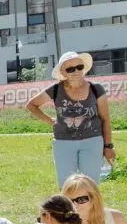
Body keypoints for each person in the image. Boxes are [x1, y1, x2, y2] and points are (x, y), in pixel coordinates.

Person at [26, 52, 116, 186]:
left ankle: (91, 207)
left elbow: (105, 119)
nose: (76, 71)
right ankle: (69, 208)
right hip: (63, 142)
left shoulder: (96, 89)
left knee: (91, 185)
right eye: (70, 69)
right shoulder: (55, 89)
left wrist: (108, 146)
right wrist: (49, 120)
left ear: (84, 67)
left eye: (79, 66)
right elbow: (31, 105)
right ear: (63, 72)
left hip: (92, 141)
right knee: (66, 185)